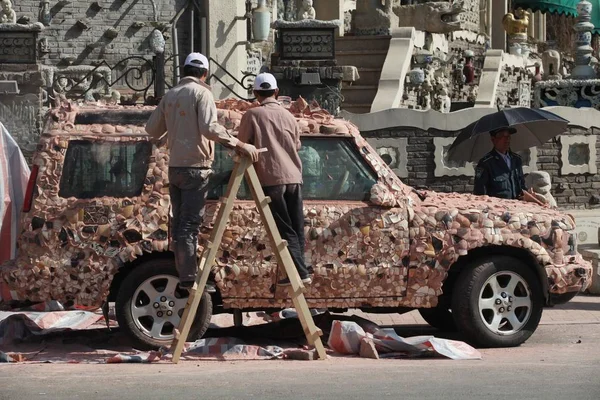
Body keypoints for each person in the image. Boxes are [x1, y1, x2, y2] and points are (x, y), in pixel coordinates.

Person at [145, 52, 259, 289]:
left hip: (175, 167)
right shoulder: (202, 93)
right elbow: (209, 128)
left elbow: (152, 130)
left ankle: (183, 271)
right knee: (189, 225)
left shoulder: (171, 95)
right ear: (205, 74)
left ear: (184, 70)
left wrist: (175, 129)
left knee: (179, 226)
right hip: (196, 168)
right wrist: (239, 144)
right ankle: (188, 277)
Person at [237, 73, 311, 286]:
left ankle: (300, 272)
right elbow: (296, 145)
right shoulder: (289, 116)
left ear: (255, 93)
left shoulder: (252, 115)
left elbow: (242, 144)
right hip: (294, 177)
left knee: (284, 230)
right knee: (296, 228)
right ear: (276, 92)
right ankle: (296, 271)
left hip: (272, 178)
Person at [473, 127, 540, 204]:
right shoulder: (486, 163)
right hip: (498, 209)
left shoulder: (516, 160)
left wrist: (528, 195)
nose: (506, 139)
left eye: (508, 136)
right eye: (502, 136)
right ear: (493, 139)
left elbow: (521, 185)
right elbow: (480, 193)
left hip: (517, 207)